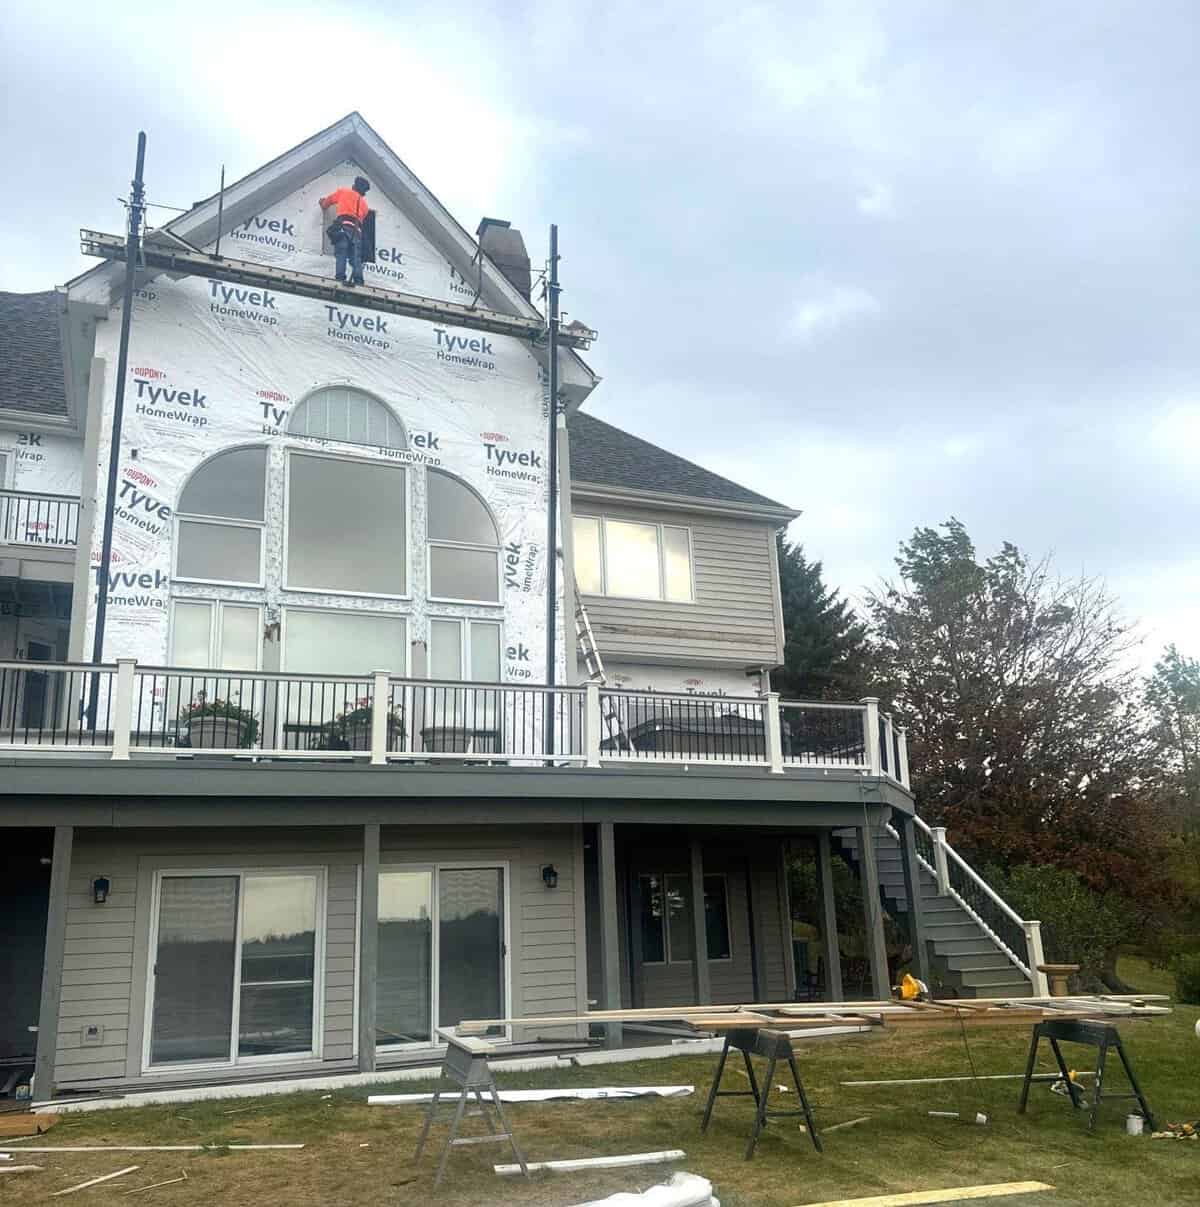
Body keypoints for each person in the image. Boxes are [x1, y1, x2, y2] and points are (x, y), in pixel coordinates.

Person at [319, 175, 371, 285]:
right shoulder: (365, 205)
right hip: (357, 232)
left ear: (354, 186)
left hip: (343, 227)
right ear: (363, 192)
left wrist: (323, 204)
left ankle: (340, 278)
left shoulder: (344, 192)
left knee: (341, 252)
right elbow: (362, 217)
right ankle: (358, 280)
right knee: (355, 257)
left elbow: (328, 201)